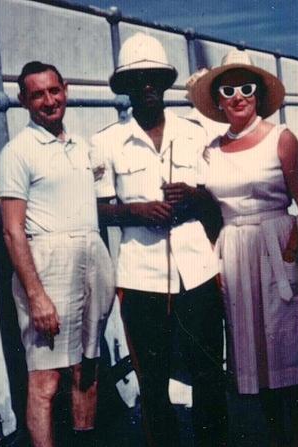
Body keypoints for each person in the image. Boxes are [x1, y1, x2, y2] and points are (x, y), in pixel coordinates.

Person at [88, 33, 228, 446]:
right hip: (141, 278)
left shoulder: (195, 133)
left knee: (208, 373)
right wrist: (135, 210)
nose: (147, 86)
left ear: (165, 83)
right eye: (137, 80)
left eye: (153, 77)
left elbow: (217, 203)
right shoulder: (106, 142)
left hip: (198, 272)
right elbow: (97, 209)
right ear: (126, 89)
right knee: (153, 382)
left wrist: (194, 195)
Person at [190, 49, 298, 447]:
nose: (238, 96)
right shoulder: (211, 149)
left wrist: (288, 255)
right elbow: (208, 209)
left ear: (259, 95)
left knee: (289, 343)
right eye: (228, 89)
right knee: (252, 349)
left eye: (246, 88)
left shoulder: (281, 139)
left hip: (276, 244)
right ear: (218, 100)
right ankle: (274, 436)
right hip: (234, 252)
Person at [0, 61, 114, 447]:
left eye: (54, 91)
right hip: (48, 267)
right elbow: (13, 231)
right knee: (46, 379)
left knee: (87, 368)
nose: (49, 101)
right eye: (37, 95)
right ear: (23, 101)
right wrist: (36, 295)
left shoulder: (83, 146)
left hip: (91, 259)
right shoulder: (17, 152)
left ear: (65, 89)